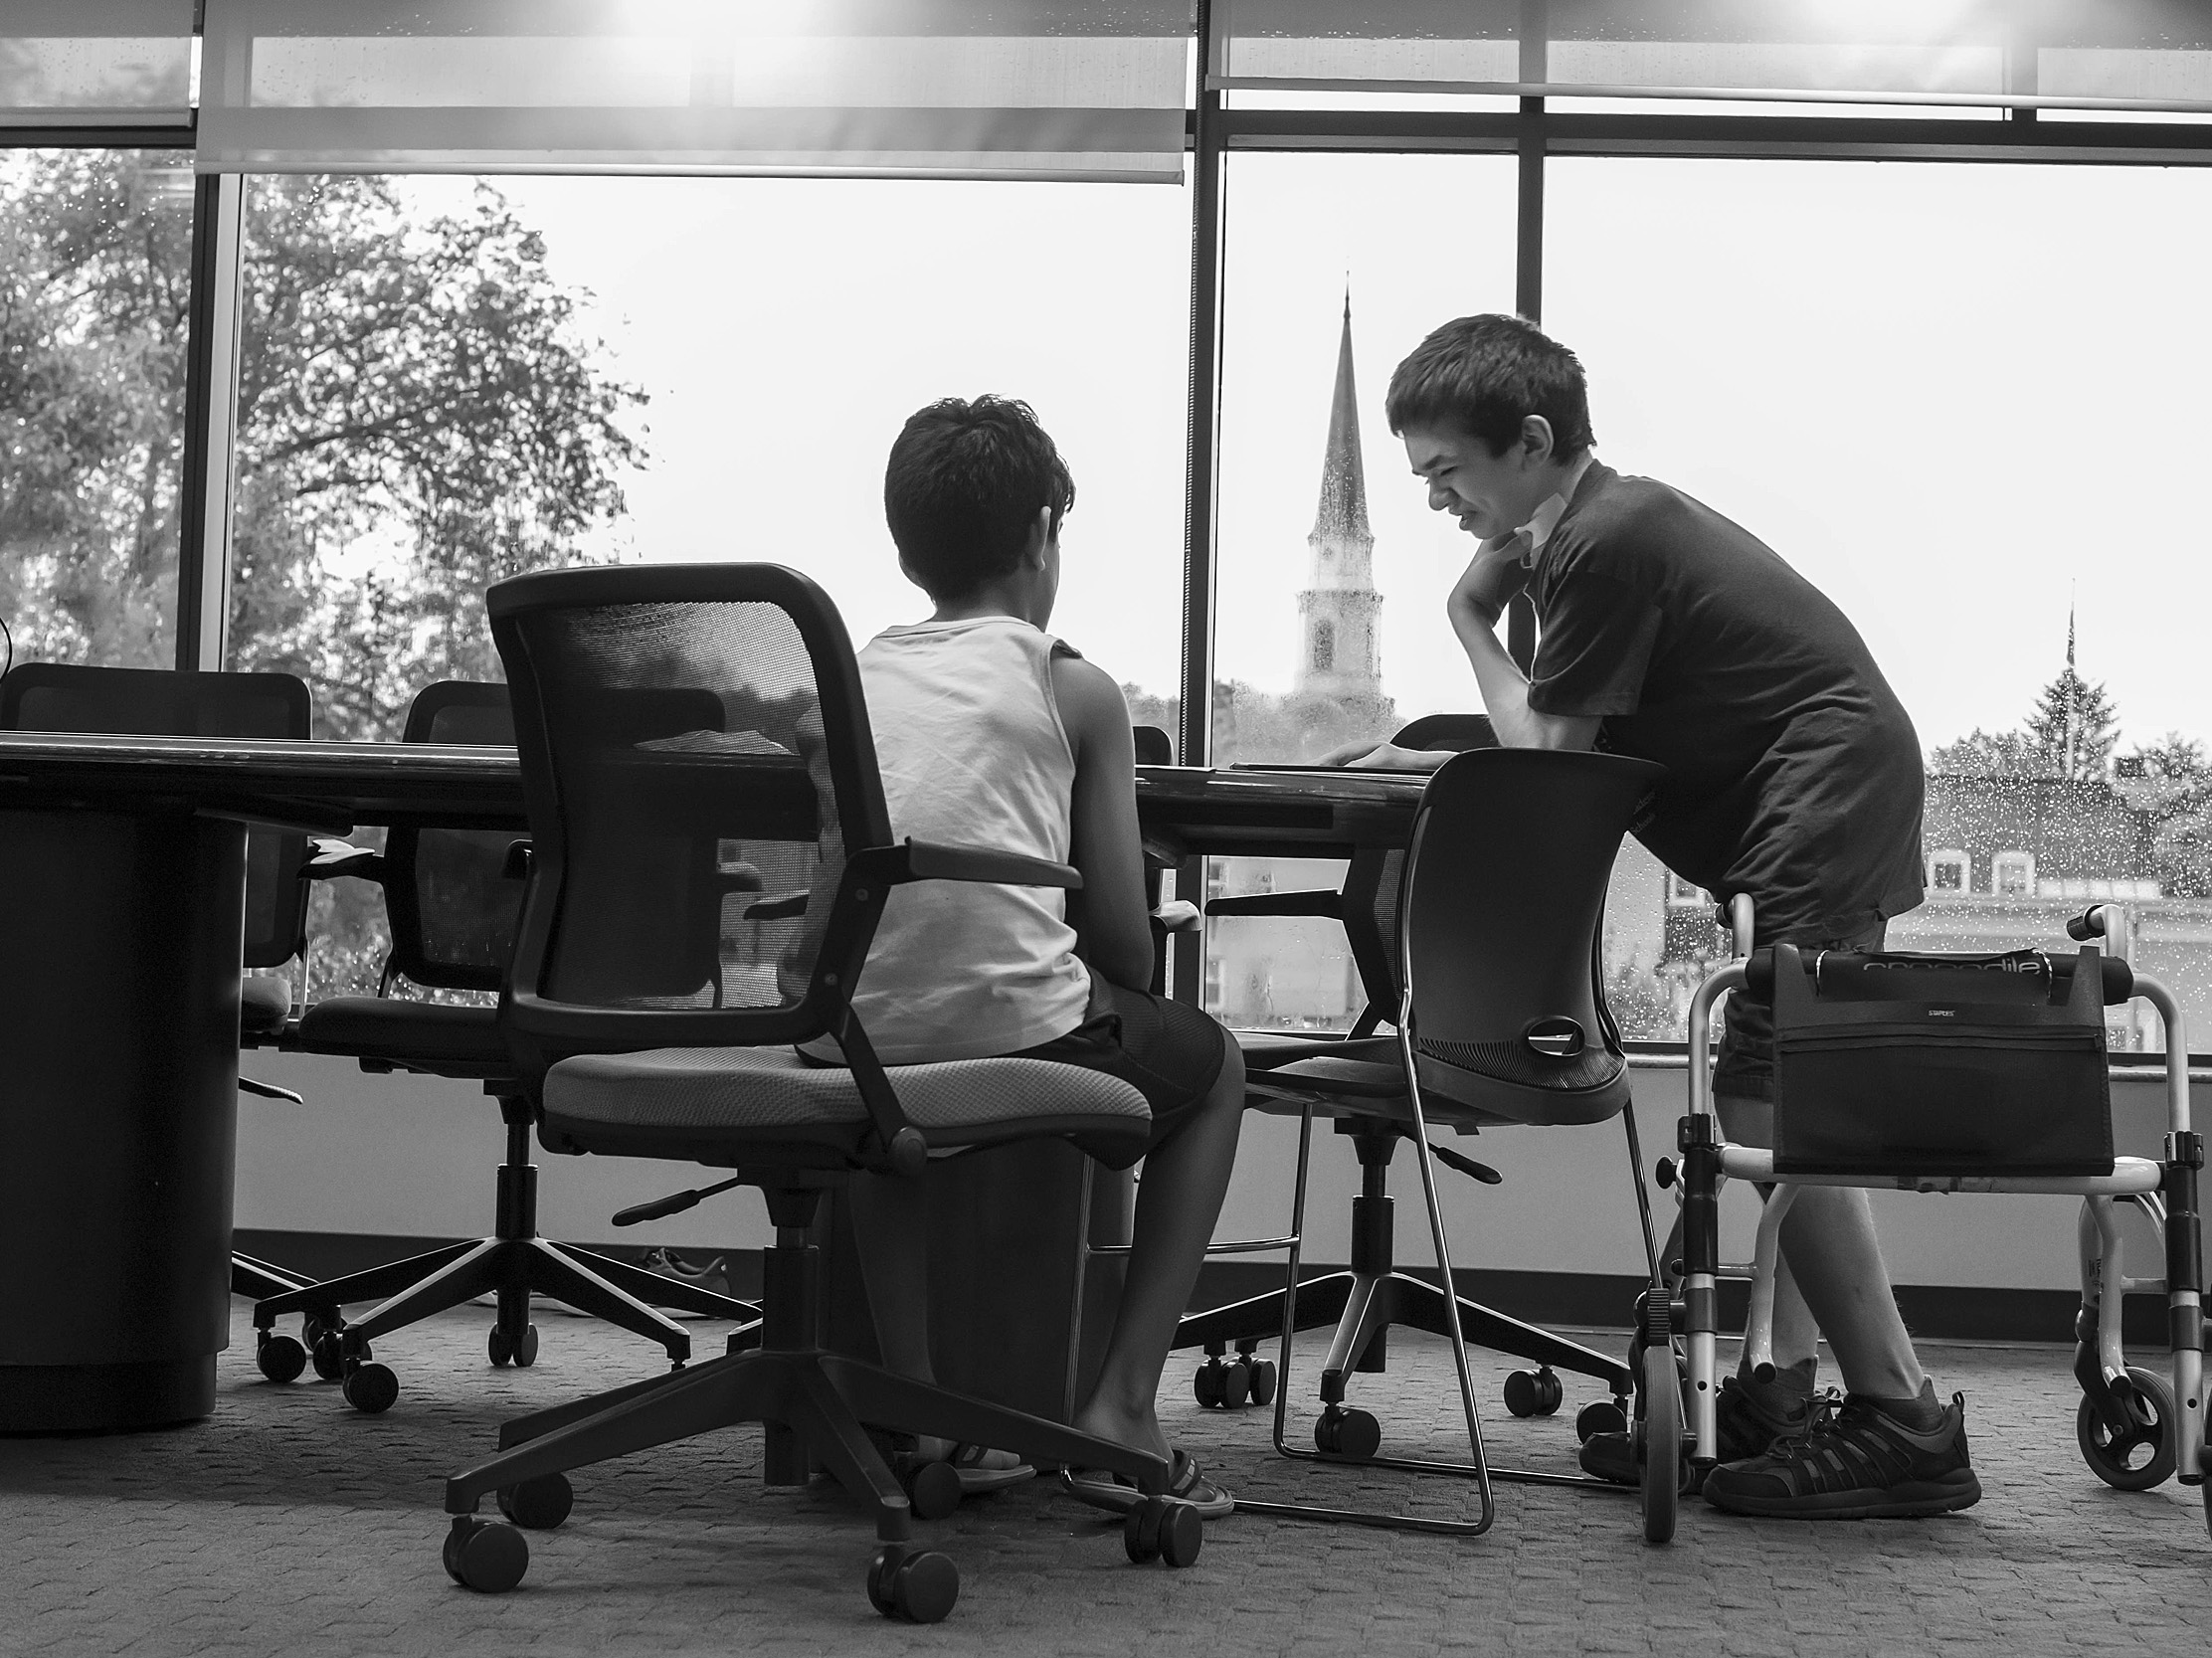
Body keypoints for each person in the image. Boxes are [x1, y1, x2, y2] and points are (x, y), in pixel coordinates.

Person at [1335, 313, 1978, 1520]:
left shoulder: (1600, 540)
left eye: (1444, 474)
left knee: (1765, 1094)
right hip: (1819, 788)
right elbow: (1568, 727)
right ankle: (1783, 1388)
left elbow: (1545, 754)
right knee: (1780, 1093)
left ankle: (1901, 1413)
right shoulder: (1591, 531)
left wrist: (1468, 622)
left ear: (1530, 442)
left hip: (1821, 789)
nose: (1435, 503)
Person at [785, 395, 1245, 1515]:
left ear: (904, 545)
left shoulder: (832, 689)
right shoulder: (1072, 686)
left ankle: (918, 1405)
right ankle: (1119, 1407)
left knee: (886, 1105)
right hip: (1011, 1035)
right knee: (1215, 1068)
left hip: (827, 1035)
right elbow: (1127, 949)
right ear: (1045, 532)